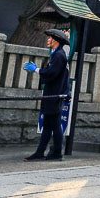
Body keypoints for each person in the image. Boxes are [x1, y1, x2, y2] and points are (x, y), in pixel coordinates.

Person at [22, 29, 70, 161]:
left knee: (54, 124)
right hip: (52, 93)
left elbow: (51, 73)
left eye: (50, 38)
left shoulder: (59, 55)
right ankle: (40, 152)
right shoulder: (56, 54)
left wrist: (36, 70)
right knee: (48, 125)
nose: (48, 40)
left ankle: (56, 153)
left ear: (56, 40)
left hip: (54, 95)